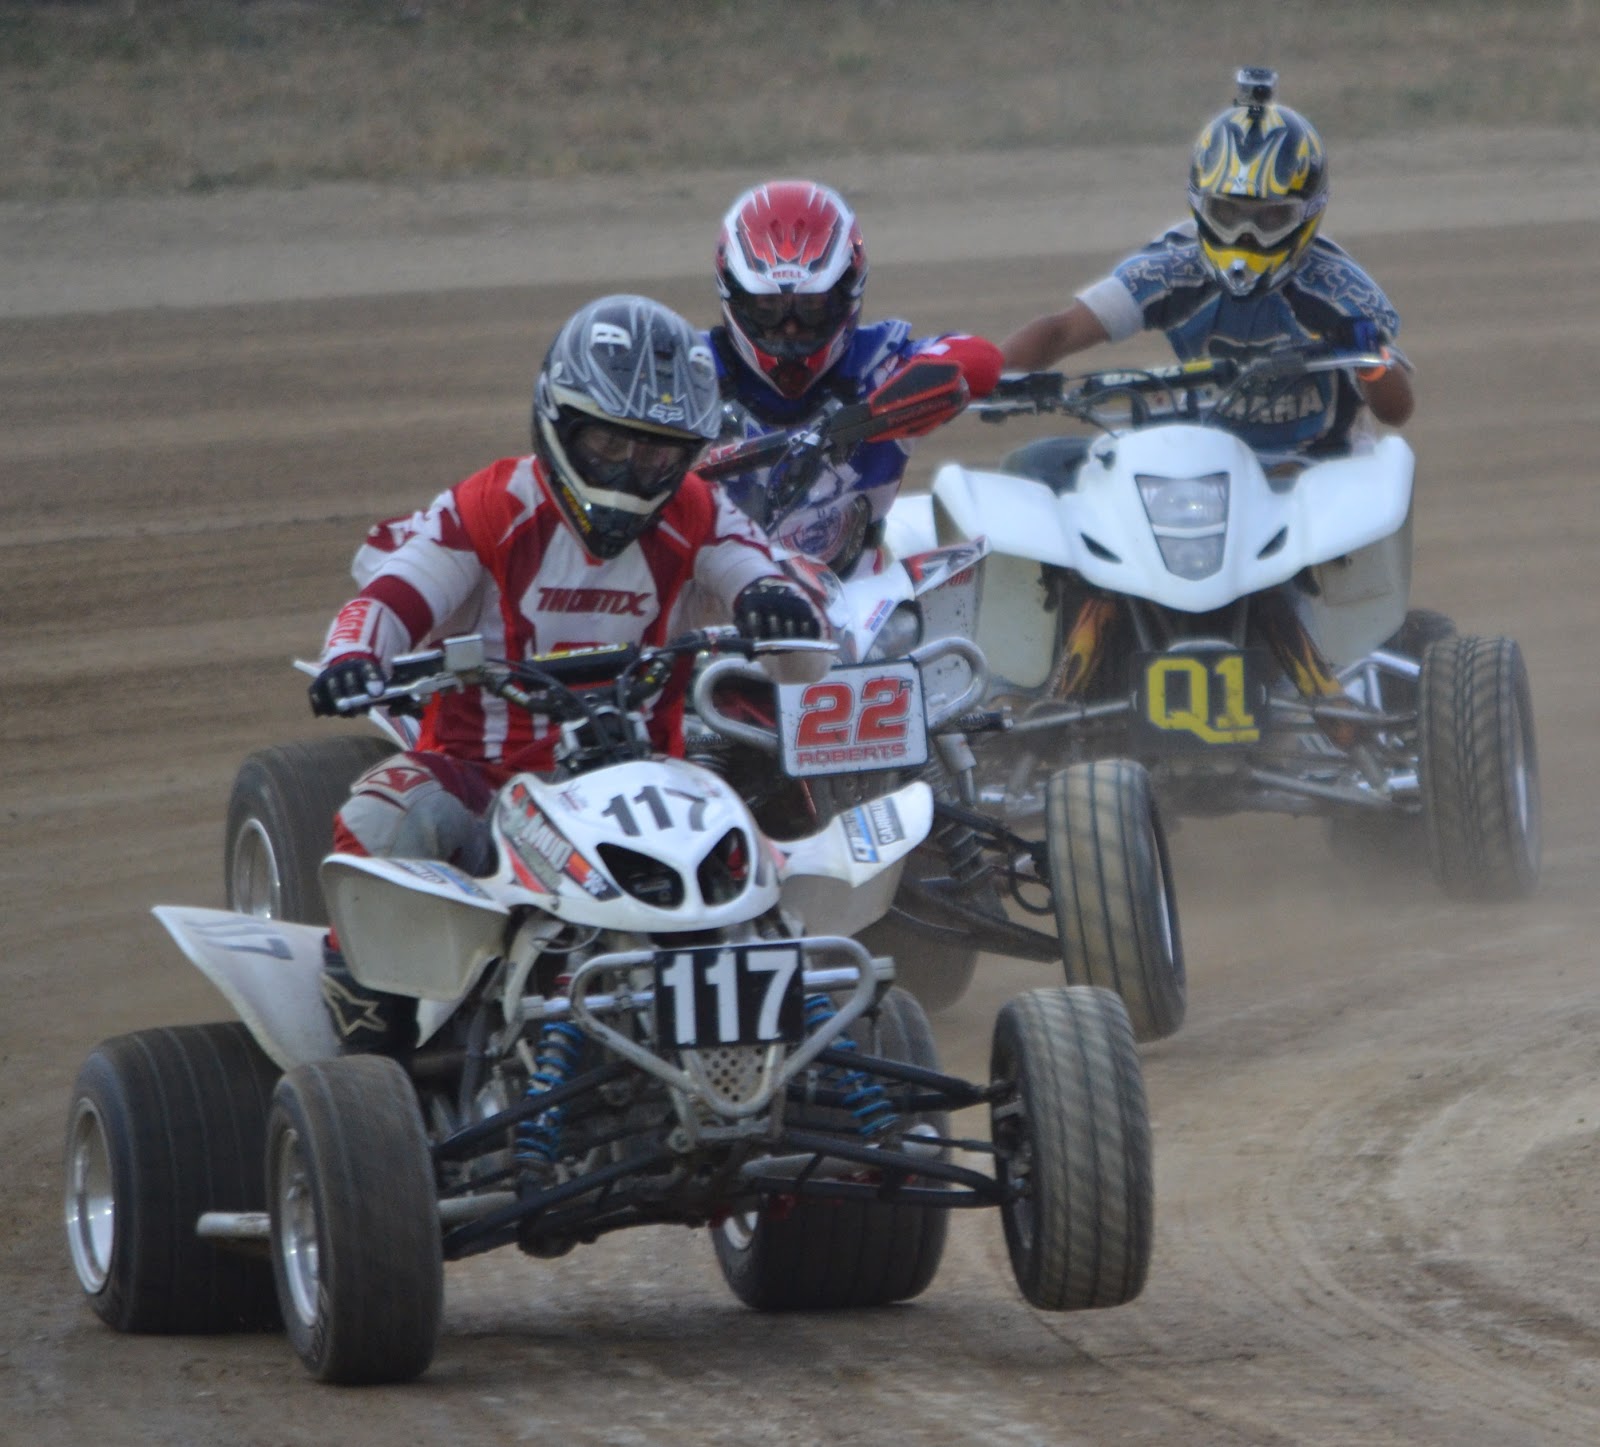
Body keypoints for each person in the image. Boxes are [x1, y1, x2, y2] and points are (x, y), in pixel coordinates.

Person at [307, 293, 825, 1054]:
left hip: (651, 784)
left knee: (769, 864)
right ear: (559, 420)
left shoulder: (697, 510)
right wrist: (350, 658)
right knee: (382, 814)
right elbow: (388, 598)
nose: (630, 470)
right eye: (610, 444)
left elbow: (771, 590)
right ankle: (373, 1059)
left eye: (655, 453)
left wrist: (777, 601)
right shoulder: (491, 504)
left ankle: (803, 1041)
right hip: (483, 782)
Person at [1000, 68, 1414, 464]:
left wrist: (1367, 356)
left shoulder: (1340, 291)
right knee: (1038, 464)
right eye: (1228, 213)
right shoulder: (1170, 271)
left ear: (1307, 214)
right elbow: (1060, 332)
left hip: (1323, 466)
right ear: (1199, 203)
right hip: (1211, 468)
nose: (1245, 235)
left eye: (1269, 217)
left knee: (1381, 485)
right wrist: (985, 378)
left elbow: (1396, 411)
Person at [706, 178, 1005, 580]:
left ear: (849, 291)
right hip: (711, 603)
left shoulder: (877, 362)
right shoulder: (691, 369)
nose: (789, 328)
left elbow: (980, 357)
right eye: (767, 307)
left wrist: (876, 414)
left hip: (857, 602)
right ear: (733, 295)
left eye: (810, 307)